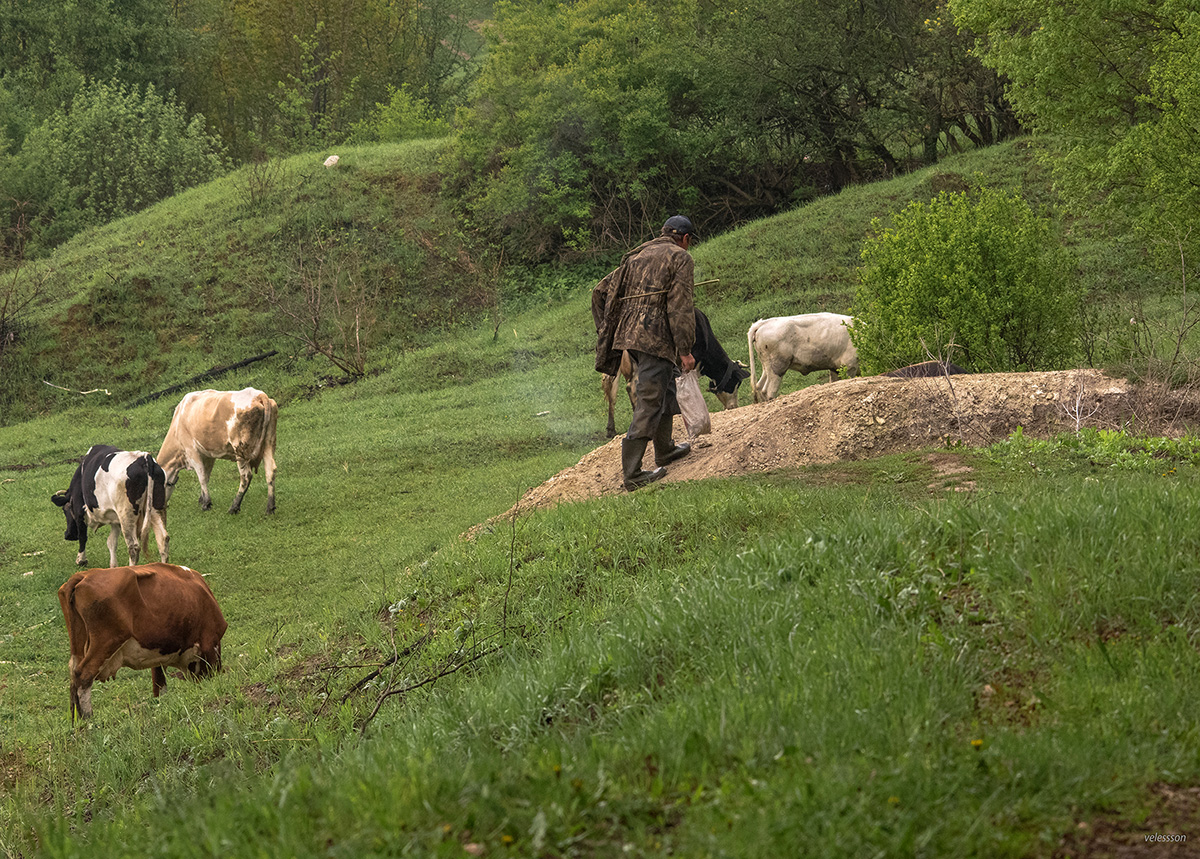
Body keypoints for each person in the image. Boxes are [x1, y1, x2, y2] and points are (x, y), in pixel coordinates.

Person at [593, 215, 698, 490]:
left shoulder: (637, 256)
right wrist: (685, 350)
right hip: (656, 339)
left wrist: (606, 330)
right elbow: (680, 307)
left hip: (631, 338)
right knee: (649, 401)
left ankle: (665, 449)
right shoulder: (680, 258)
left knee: (668, 389)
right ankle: (633, 474)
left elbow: (599, 292)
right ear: (685, 239)